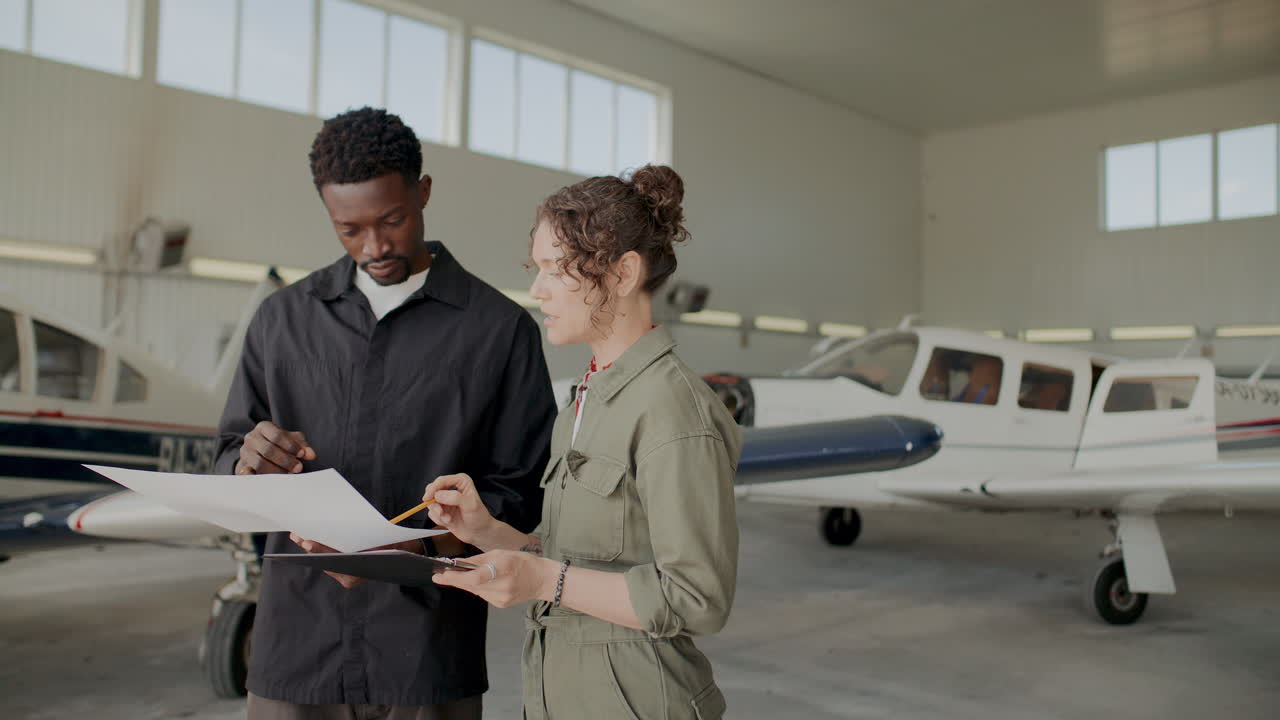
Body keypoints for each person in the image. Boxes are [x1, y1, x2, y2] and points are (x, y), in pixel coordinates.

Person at [213, 107, 557, 719]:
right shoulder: (282, 321)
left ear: (423, 193)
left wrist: (414, 555)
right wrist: (247, 462)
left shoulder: (499, 331)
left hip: (426, 657)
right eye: (349, 229)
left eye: (393, 220)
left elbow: (522, 498)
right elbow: (223, 466)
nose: (374, 247)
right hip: (296, 654)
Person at [420, 165, 742, 720]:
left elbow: (697, 598)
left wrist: (543, 579)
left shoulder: (671, 409)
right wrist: (488, 533)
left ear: (621, 274)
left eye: (554, 269)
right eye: (537, 268)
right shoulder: (584, 400)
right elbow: (586, 561)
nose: (537, 289)